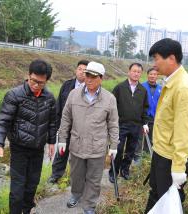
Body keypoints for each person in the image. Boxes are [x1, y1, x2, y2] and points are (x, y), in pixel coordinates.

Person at [0, 59, 56, 214]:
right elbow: (3, 121)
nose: (36, 85)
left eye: (41, 83)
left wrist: (52, 142)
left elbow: (52, 122)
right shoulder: (14, 95)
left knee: (32, 185)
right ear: (28, 75)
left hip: (37, 149)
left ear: (46, 81)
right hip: (19, 148)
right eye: (33, 81)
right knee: (17, 188)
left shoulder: (49, 98)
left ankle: (27, 210)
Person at [144, 38, 188, 213]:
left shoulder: (183, 88)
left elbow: (184, 132)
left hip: (170, 159)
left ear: (171, 58)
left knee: (169, 202)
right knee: (157, 195)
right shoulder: (171, 82)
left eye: (156, 58)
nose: (154, 64)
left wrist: (178, 168)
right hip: (162, 153)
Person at [58, 61, 119, 214]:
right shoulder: (74, 94)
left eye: (93, 76)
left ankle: (90, 204)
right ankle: (76, 194)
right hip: (77, 144)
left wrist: (114, 146)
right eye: (87, 75)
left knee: (94, 178)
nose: (89, 79)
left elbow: (113, 124)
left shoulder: (109, 98)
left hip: (97, 147)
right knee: (76, 175)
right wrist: (62, 139)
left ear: (101, 78)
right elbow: (66, 118)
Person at [48, 60, 89, 184]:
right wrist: (56, 125)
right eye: (80, 69)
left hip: (82, 128)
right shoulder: (67, 85)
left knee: (79, 154)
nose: (82, 72)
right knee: (61, 151)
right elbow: (59, 105)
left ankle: (76, 178)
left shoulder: (91, 88)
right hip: (65, 125)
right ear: (76, 70)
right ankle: (56, 174)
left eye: (85, 70)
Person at [108, 63, 149, 182]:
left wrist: (145, 123)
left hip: (136, 125)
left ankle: (125, 170)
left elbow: (145, 108)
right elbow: (112, 106)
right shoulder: (120, 88)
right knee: (118, 149)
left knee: (131, 150)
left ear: (141, 74)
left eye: (138, 72)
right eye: (134, 71)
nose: (136, 73)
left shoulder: (142, 90)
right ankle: (113, 172)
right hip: (121, 124)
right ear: (129, 72)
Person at [141, 68, 162, 148]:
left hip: (155, 116)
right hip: (144, 115)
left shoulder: (161, 88)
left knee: (153, 134)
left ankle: (149, 150)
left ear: (157, 76)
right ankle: (139, 153)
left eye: (155, 74)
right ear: (147, 75)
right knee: (142, 135)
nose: (152, 76)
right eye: (151, 74)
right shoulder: (142, 86)